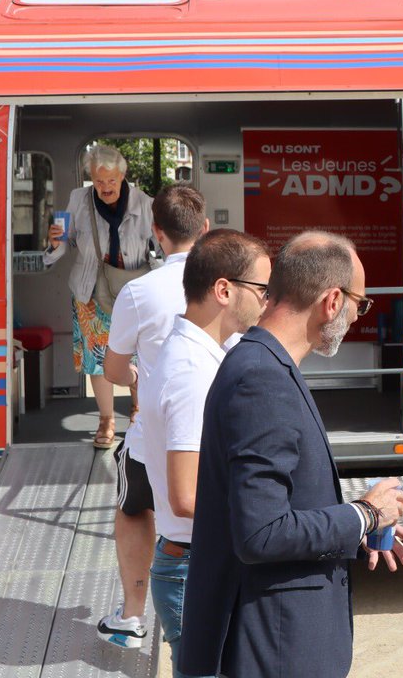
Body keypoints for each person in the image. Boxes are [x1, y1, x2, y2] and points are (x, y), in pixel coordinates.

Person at [179, 231, 403, 678]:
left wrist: (358, 529)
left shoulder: (262, 363)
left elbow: (276, 508)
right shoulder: (262, 377)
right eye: (359, 304)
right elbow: (261, 532)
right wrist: (364, 514)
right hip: (278, 648)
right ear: (331, 300)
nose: (357, 316)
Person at [138, 228, 271, 676]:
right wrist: (273, 519)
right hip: (194, 565)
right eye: (262, 289)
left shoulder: (201, 353)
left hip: (192, 561)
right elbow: (186, 496)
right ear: (224, 290)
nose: (267, 301)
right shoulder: (193, 373)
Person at [95, 185, 209, 649]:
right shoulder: (229, 288)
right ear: (204, 229)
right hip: (212, 432)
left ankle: (132, 614)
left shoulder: (138, 292)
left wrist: (137, 373)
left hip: (153, 437)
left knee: (132, 507)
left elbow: (115, 369)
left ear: (156, 233)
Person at [45, 144, 154, 448]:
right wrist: (54, 243)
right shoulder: (77, 200)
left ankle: (138, 410)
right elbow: (61, 244)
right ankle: (106, 420)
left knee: (140, 354)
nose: (105, 188)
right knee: (97, 360)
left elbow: (162, 243)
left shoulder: (145, 203)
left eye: (111, 181)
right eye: (99, 181)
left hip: (134, 291)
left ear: (123, 176)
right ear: (91, 178)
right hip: (90, 292)